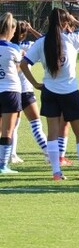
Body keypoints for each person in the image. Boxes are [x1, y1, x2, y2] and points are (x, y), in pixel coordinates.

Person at [21, 8, 79, 181]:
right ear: (66, 23)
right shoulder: (71, 38)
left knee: (52, 132)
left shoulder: (41, 42)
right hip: (70, 92)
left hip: (49, 92)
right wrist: (77, 21)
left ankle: (56, 173)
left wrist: (35, 83)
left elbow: (23, 64)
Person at [9, 21, 46, 164]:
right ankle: (48, 153)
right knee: (36, 124)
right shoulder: (26, 47)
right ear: (23, 35)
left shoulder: (8, 47)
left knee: (13, 126)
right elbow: (43, 39)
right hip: (25, 90)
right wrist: (32, 30)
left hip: (11, 91)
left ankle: (12, 155)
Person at [0, 13, 21, 174]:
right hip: (11, 91)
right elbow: (18, 69)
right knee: (8, 130)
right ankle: (3, 165)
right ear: (11, 29)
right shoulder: (14, 48)